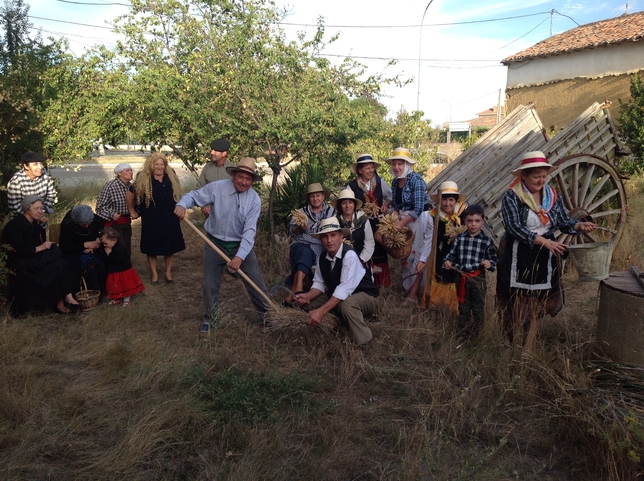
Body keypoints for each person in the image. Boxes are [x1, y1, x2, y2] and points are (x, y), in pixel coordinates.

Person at [497, 151, 598, 352]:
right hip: (519, 254)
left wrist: (579, 226)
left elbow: (562, 221)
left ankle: (528, 347)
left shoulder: (552, 196)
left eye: (544, 176)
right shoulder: (512, 197)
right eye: (537, 176)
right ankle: (510, 343)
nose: (541, 180)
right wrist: (542, 241)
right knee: (515, 301)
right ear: (524, 176)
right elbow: (513, 227)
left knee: (538, 301)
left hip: (545, 255)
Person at [174, 157, 271, 332]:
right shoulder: (217, 188)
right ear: (234, 175)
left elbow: (249, 231)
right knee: (210, 285)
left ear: (252, 181)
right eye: (240, 177)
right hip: (214, 243)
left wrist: (240, 256)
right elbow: (194, 196)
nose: (243, 182)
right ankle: (211, 318)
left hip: (240, 245)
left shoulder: (254, 200)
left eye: (248, 179)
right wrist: (182, 205)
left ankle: (268, 317)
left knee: (256, 283)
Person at [293, 217, 380, 346]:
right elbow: (320, 283)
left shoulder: (349, 255)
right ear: (321, 240)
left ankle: (364, 341)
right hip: (341, 295)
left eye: (333, 235)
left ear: (341, 237)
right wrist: (307, 295)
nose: (329, 240)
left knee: (347, 305)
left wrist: (321, 311)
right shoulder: (323, 257)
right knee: (308, 304)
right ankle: (340, 321)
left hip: (366, 296)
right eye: (325, 237)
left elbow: (344, 290)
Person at [2, 195, 81, 316]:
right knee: (58, 263)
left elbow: (41, 241)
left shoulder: (34, 224)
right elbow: (15, 251)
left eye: (41, 208)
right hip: (22, 263)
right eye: (36, 209)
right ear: (27, 209)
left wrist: (40, 225)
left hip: (33, 258)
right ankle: (65, 300)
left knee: (60, 261)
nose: (40, 211)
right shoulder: (15, 226)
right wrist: (39, 248)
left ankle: (64, 300)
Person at [443, 204, 498, 340]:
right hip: (461, 277)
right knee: (463, 306)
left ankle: (478, 334)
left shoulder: (486, 241)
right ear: (465, 221)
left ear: (483, 221)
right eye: (470, 221)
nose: (473, 224)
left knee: (478, 307)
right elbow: (451, 254)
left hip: (477, 277)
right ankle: (464, 333)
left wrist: (489, 263)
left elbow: (493, 259)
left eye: (477, 221)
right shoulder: (460, 238)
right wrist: (448, 261)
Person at [386, 147, 432, 302]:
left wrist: (401, 223)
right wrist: (394, 216)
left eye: (400, 164)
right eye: (394, 164)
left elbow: (418, 208)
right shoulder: (395, 181)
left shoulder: (416, 180)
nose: (396, 167)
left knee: (417, 255)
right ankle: (408, 288)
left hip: (419, 220)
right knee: (404, 255)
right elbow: (396, 205)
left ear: (407, 165)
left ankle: (414, 292)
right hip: (405, 220)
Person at [132, 152, 185, 284]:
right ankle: (154, 273)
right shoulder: (143, 177)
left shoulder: (171, 176)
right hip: (151, 218)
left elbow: (177, 194)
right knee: (151, 246)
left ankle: (168, 272)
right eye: (157, 164)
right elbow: (133, 194)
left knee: (170, 245)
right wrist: (134, 211)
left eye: (162, 164)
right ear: (151, 165)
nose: (159, 167)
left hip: (170, 216)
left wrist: (180, 208)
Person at [285, 183, 336, 303]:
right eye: (312, 196)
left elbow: (334, 231)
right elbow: (292, 232)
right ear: (309, 198)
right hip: (301, 244)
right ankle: (298, 288)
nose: (315, 199)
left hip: (320, 246)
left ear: (323, 196)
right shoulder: (301, 212)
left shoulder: (332, 212)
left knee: (307, 253)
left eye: (318, 195)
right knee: (305, 251)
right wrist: (299, 228)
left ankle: (293, 293)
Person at [347, 153, 392, 286]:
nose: (371, 171)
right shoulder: (352, 186)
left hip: (378, 222)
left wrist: (385, 205)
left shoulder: (379, 182)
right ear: (360, 170)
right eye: (367, 168)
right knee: (364, 249)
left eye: (372, 167)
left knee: (380, 250)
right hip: (361, 224)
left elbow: (390, 196)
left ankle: (382, 283)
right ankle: (366, 281)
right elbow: (347, 203)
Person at [426, 181, 469, 313]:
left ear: (456, 201)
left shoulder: (464, 213)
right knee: (443, 275)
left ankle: (460, 307)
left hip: (462, 253)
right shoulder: (435, 215)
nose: (447, 203)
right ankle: (441, 306)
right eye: (444, 199)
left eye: (451, 200)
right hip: (443, 251)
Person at [59, 204, 106, 293]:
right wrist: (84, 245)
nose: (87, 227)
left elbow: (101, 233)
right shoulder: (68, 224)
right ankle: (91, 290)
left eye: (89, 224)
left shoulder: (95, 219)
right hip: (74, 252)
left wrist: (97, 242)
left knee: (102, 260)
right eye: (84, 224)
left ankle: (102, 290)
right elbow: (65, 247)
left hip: (93, 249)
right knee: (87, 263)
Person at [99, 227, 145, 307]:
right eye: (103, 243)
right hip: (113, 270)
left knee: (125, 285)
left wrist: (110, 254)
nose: (104, 245)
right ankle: (115, 298)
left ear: (113, 239)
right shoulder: (107, 247)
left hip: (123, 270)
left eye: (106, 243)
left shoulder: (119, 247)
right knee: (114, 284)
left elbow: (117, 259)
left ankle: (127, 299)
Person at [96, 163, 135, 257]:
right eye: (127, 170)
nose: (130, 173)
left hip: (126, 223)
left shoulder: (131, 187)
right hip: (114, 224)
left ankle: (126, 269)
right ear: (119, 173)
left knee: (127, 249)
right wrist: (111, 214)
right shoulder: (110, 186)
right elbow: (100, 207)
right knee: (118, 248)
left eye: (131, 170)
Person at [7, 152, 57, 219]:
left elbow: (51, 194)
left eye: (41, 163)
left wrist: (42, 212)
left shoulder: (44, 175)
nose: (41, 167)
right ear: (26, 166)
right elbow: (15, 207)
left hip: (41, 221)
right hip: (22, 223)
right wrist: (34, 217)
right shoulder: (16, 181)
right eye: (35, 164)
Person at [333, 188, 375, 266]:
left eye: (350, 202)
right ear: (340, 205)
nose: (347, 206)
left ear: (354, 204)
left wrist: (360, 260)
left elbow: (369, 242)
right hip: (341, 261)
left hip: (362, 260)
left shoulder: (363, 219)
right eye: (344, 203)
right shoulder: (335, 221)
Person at [197, 138, 235, 218]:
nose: (212, 153)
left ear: (224, 153)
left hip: (229, 217)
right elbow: (199, 188)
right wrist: (204, 204)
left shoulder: (234, 169)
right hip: (210, 217)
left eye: (215, 151)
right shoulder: (207, 167)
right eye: (212, 150)